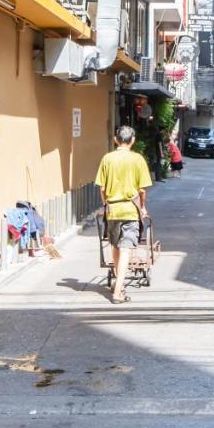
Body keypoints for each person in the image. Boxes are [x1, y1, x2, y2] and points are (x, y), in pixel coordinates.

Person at [96, 125, 153, 304]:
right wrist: (142, 207)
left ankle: (116, 281)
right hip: (130, 210)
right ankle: (118, 291)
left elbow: (102, 188)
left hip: (112, 210)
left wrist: (106, 204)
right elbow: (142, 190)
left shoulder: (107, 159)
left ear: (115, 139)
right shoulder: (138, 159)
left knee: (115, 246)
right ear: (133, 140)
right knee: (126, 249)